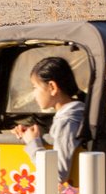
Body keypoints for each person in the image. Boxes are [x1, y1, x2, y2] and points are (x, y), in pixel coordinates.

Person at [13, 56, 85, 184]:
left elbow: (57, 174)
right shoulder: (78, 114)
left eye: (35, 87)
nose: (34, 94)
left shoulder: (67, 122)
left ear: (52, 87)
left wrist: (32, 144)